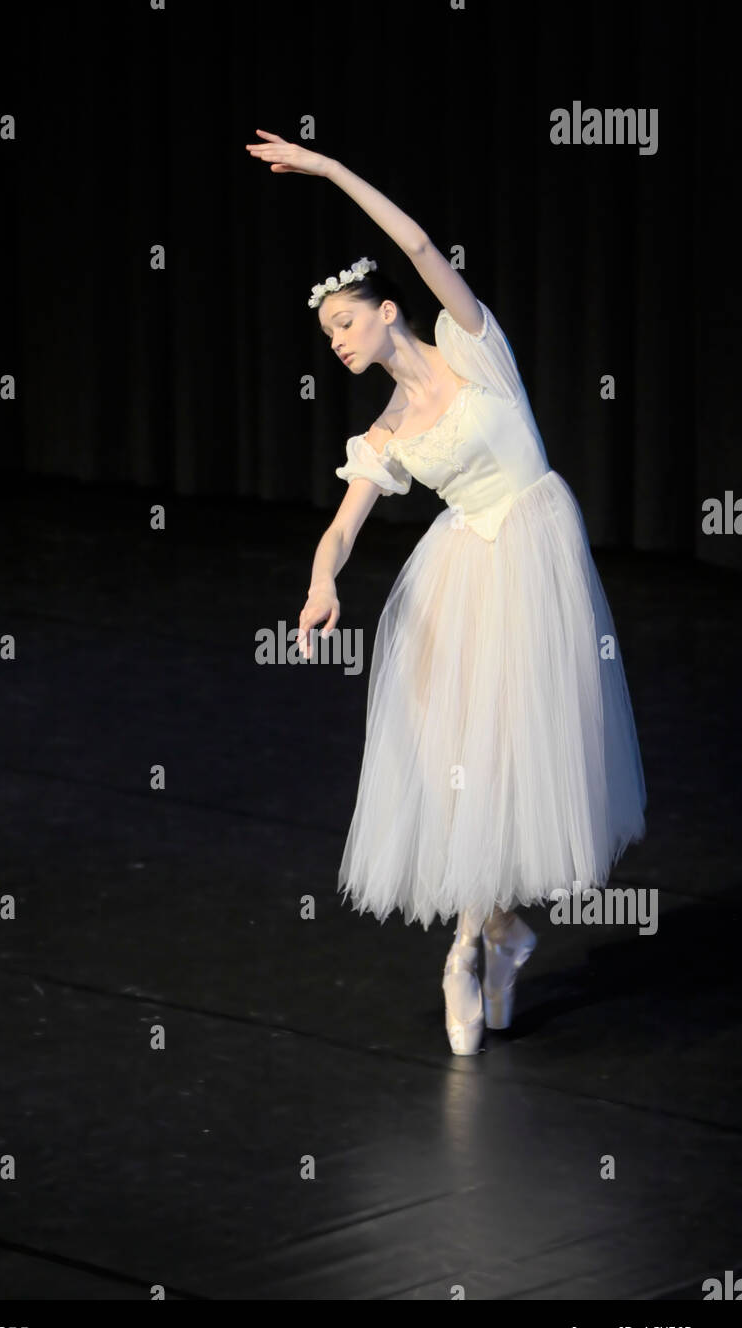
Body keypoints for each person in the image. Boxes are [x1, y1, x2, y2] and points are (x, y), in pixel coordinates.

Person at [245, 130, 647, 1055]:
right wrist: (317, 582)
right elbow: (344, 522)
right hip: (462, 571)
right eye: (327, 336)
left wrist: (333, 171)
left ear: (389, 312)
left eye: (344, 325)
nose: (336, 344)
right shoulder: (387, 424)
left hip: (534, 553)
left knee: (518, 758)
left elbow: (422, 246)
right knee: (472, 761)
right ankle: (487, 936)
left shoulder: (473, 348)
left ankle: (479, 940)